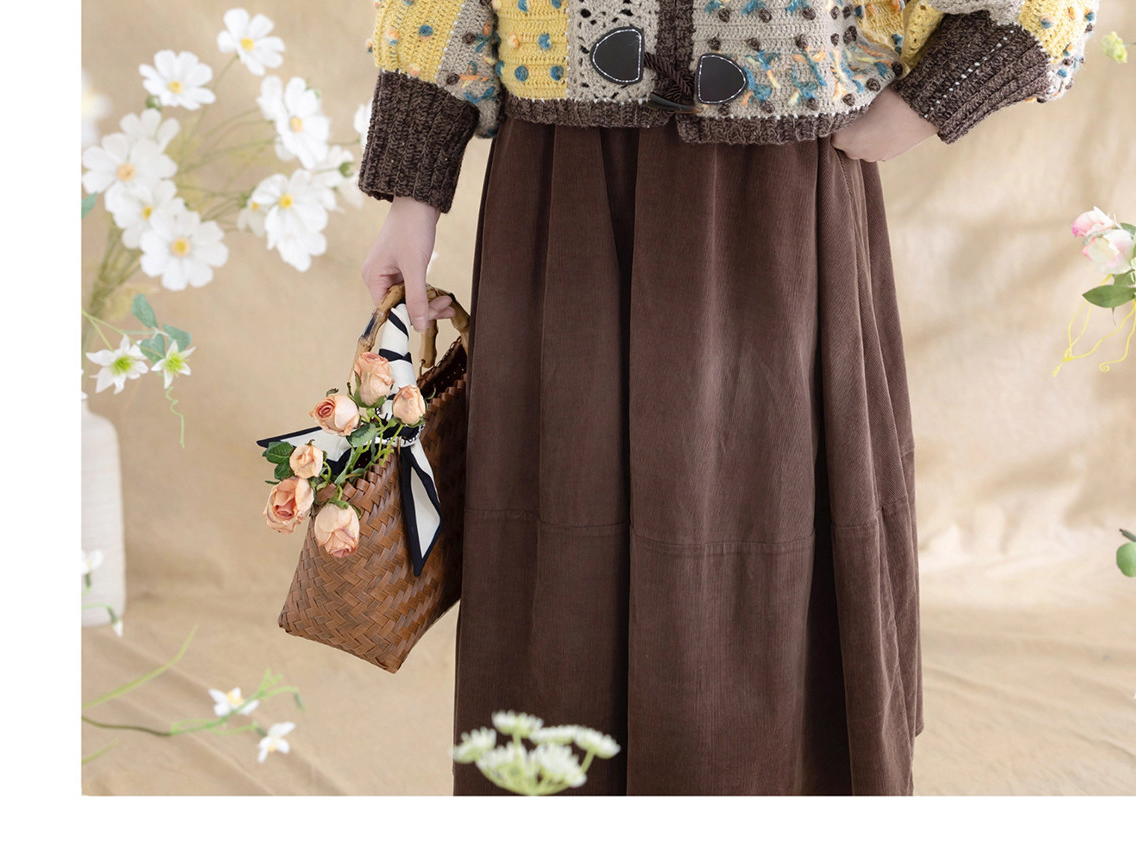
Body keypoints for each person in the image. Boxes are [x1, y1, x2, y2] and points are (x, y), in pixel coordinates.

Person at [356, 0, 1098, 795]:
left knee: (768, 506)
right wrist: (412, 198)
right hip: (564, 192)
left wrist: (926, 104)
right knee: (566, 498)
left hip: (779, 196)